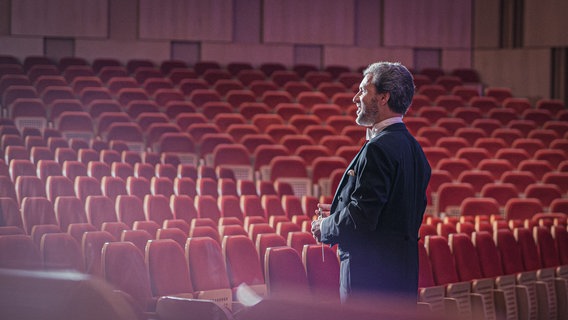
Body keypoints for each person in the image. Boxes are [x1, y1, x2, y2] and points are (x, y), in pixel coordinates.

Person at [311, 62, 431, 304]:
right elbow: (395, 213)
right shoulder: (415, 149)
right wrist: (338, 212)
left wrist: (324, 226)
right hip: (401, 278)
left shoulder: (378, 148)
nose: (356, 98)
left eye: (364, 90)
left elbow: (360, 219)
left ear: (384, 97)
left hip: (369, 284)